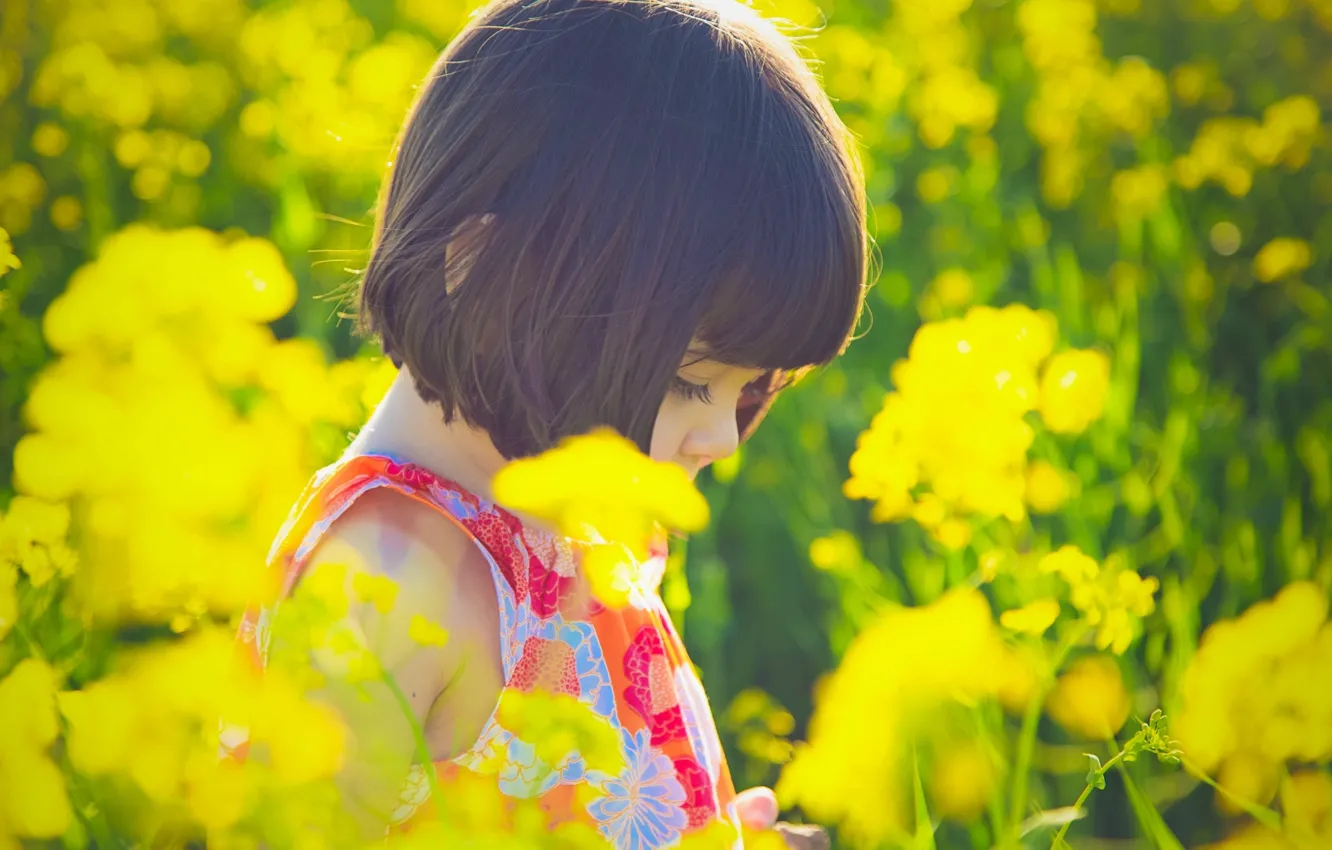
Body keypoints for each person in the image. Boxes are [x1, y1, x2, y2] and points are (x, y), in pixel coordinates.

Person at [233, 0, 868, 845]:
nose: (719, 437)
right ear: (489, 273)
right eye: (687, 381)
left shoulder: (565, 529)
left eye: (748, 388)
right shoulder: (385, 582)